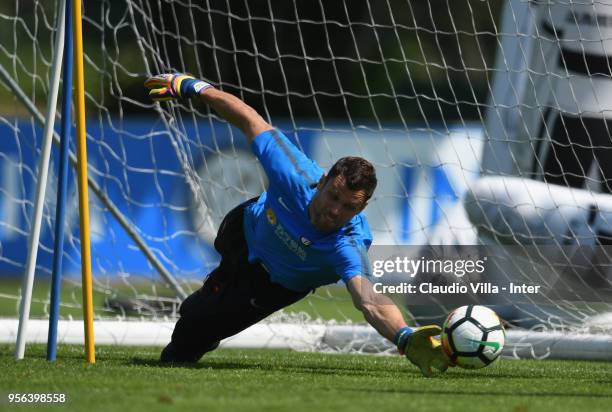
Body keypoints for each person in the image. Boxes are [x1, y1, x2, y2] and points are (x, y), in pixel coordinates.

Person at [144, 73, 450, 377]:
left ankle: (204, 320)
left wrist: (404, 337)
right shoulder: (293, 173)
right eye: (333, 196)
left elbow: (368, 300)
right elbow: (250, 120)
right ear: (322, 181)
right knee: (207, 304)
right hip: (243, 232)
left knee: (189, 336)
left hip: (273, 285)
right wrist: (197, 88)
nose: (335, 211)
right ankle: (215, 293)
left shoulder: (349, 244)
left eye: (348, 207)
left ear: (363, 208)